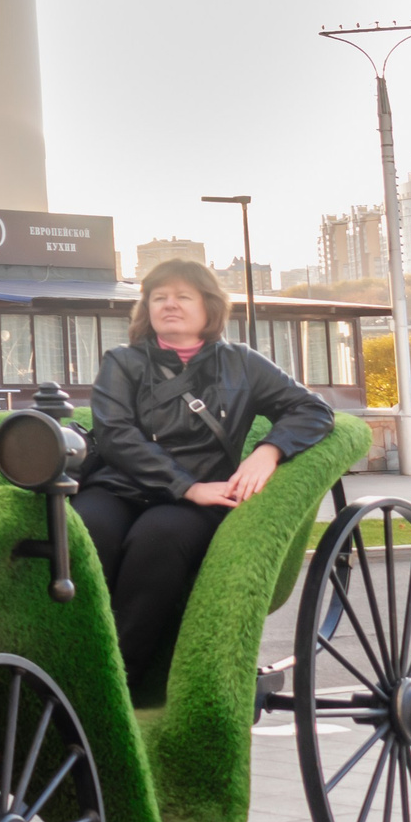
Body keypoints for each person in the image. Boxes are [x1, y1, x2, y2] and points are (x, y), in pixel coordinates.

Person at [72, 259, 336, 685]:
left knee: (157, 539)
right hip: (122, 485)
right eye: (159, 297)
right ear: (146, 308)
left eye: (182, 296)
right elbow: (116, 434)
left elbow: (313, 410)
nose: (169, 304)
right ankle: (64, 661)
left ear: (209, 307)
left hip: (201, 498)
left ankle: (119, 680)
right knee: (85, 528)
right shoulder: (122, 361)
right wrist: (183, 485)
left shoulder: (242, 364)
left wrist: (268, 451)